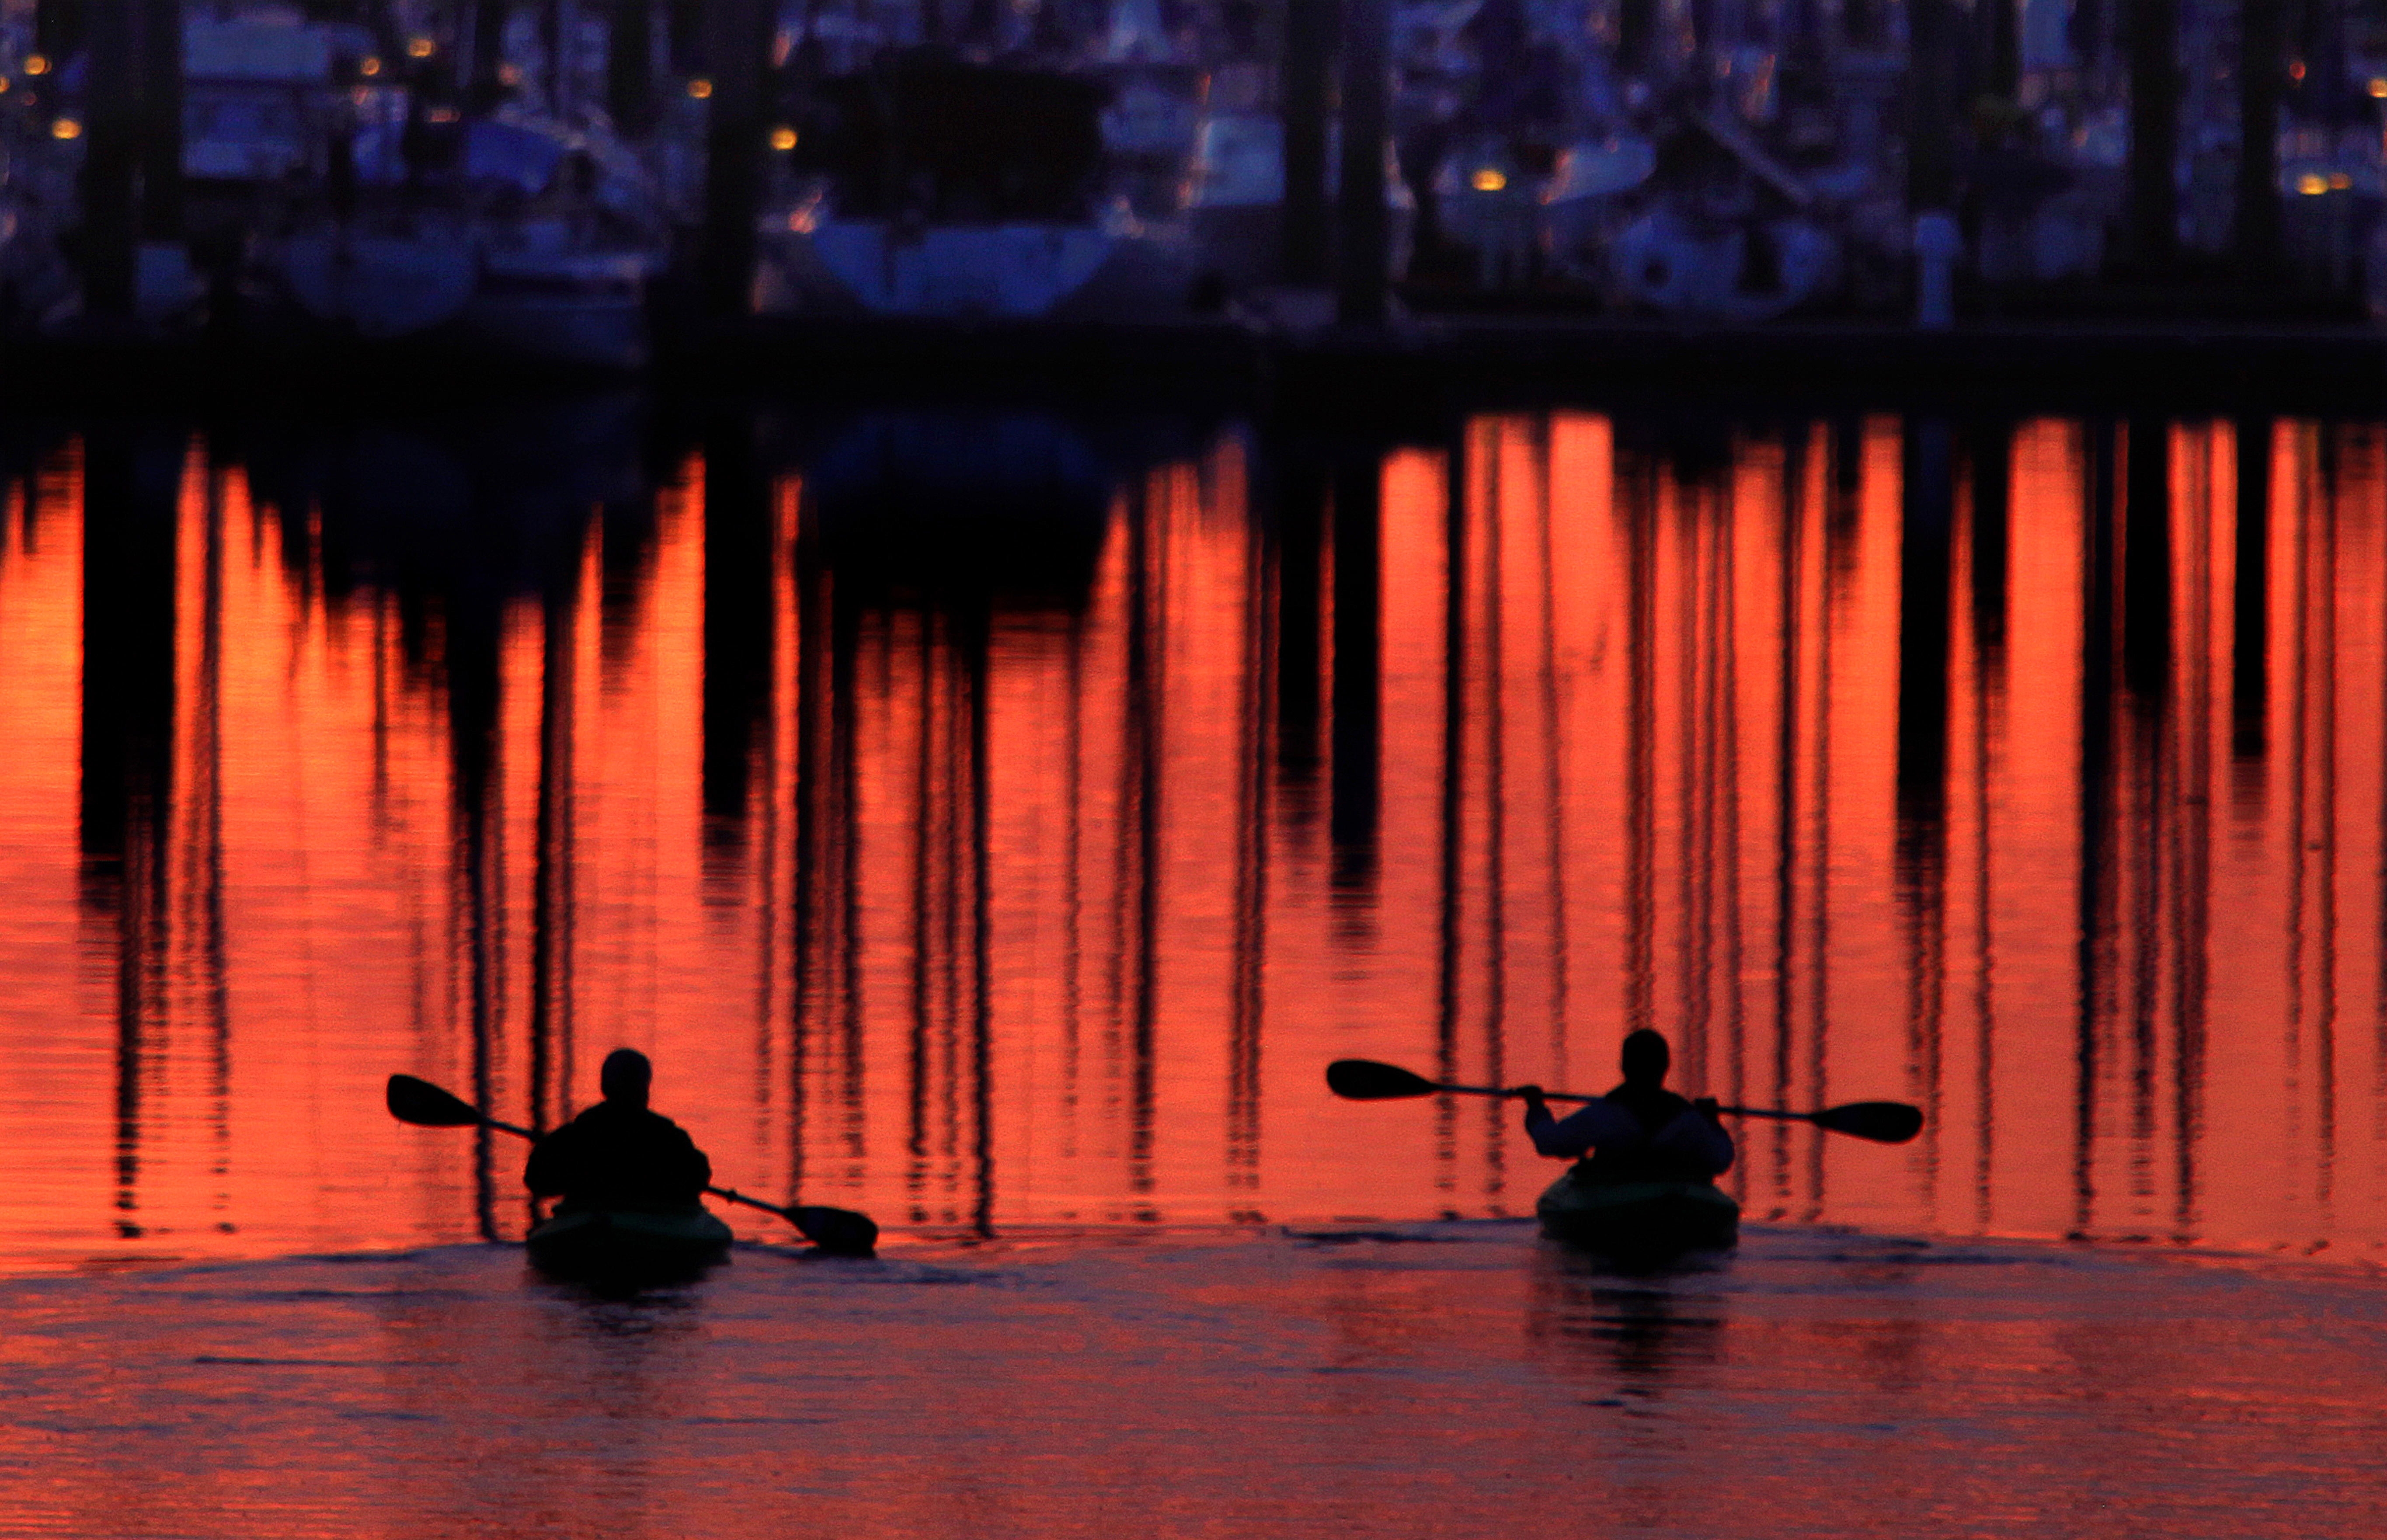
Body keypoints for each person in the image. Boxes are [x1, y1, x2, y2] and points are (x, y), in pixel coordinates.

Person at [1514, 1029, 1734, 1183]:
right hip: (1673, 1200)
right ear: (1666, 1066)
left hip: (1615, 1201)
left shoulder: (1605, 1114)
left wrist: (1536, 1107)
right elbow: (1720, 1159)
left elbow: (1551, 1142)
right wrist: (1713, 1122)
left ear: (1624, 1066)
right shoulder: (1689, 1119)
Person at [525, 1049, 713, 1212]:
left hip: (588, 1223)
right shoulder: (670, 1138)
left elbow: (536, 1178)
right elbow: (699, 1176)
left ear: (604, 1087)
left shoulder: (576, 1134)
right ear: (645, 1088)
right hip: (651, 1226)